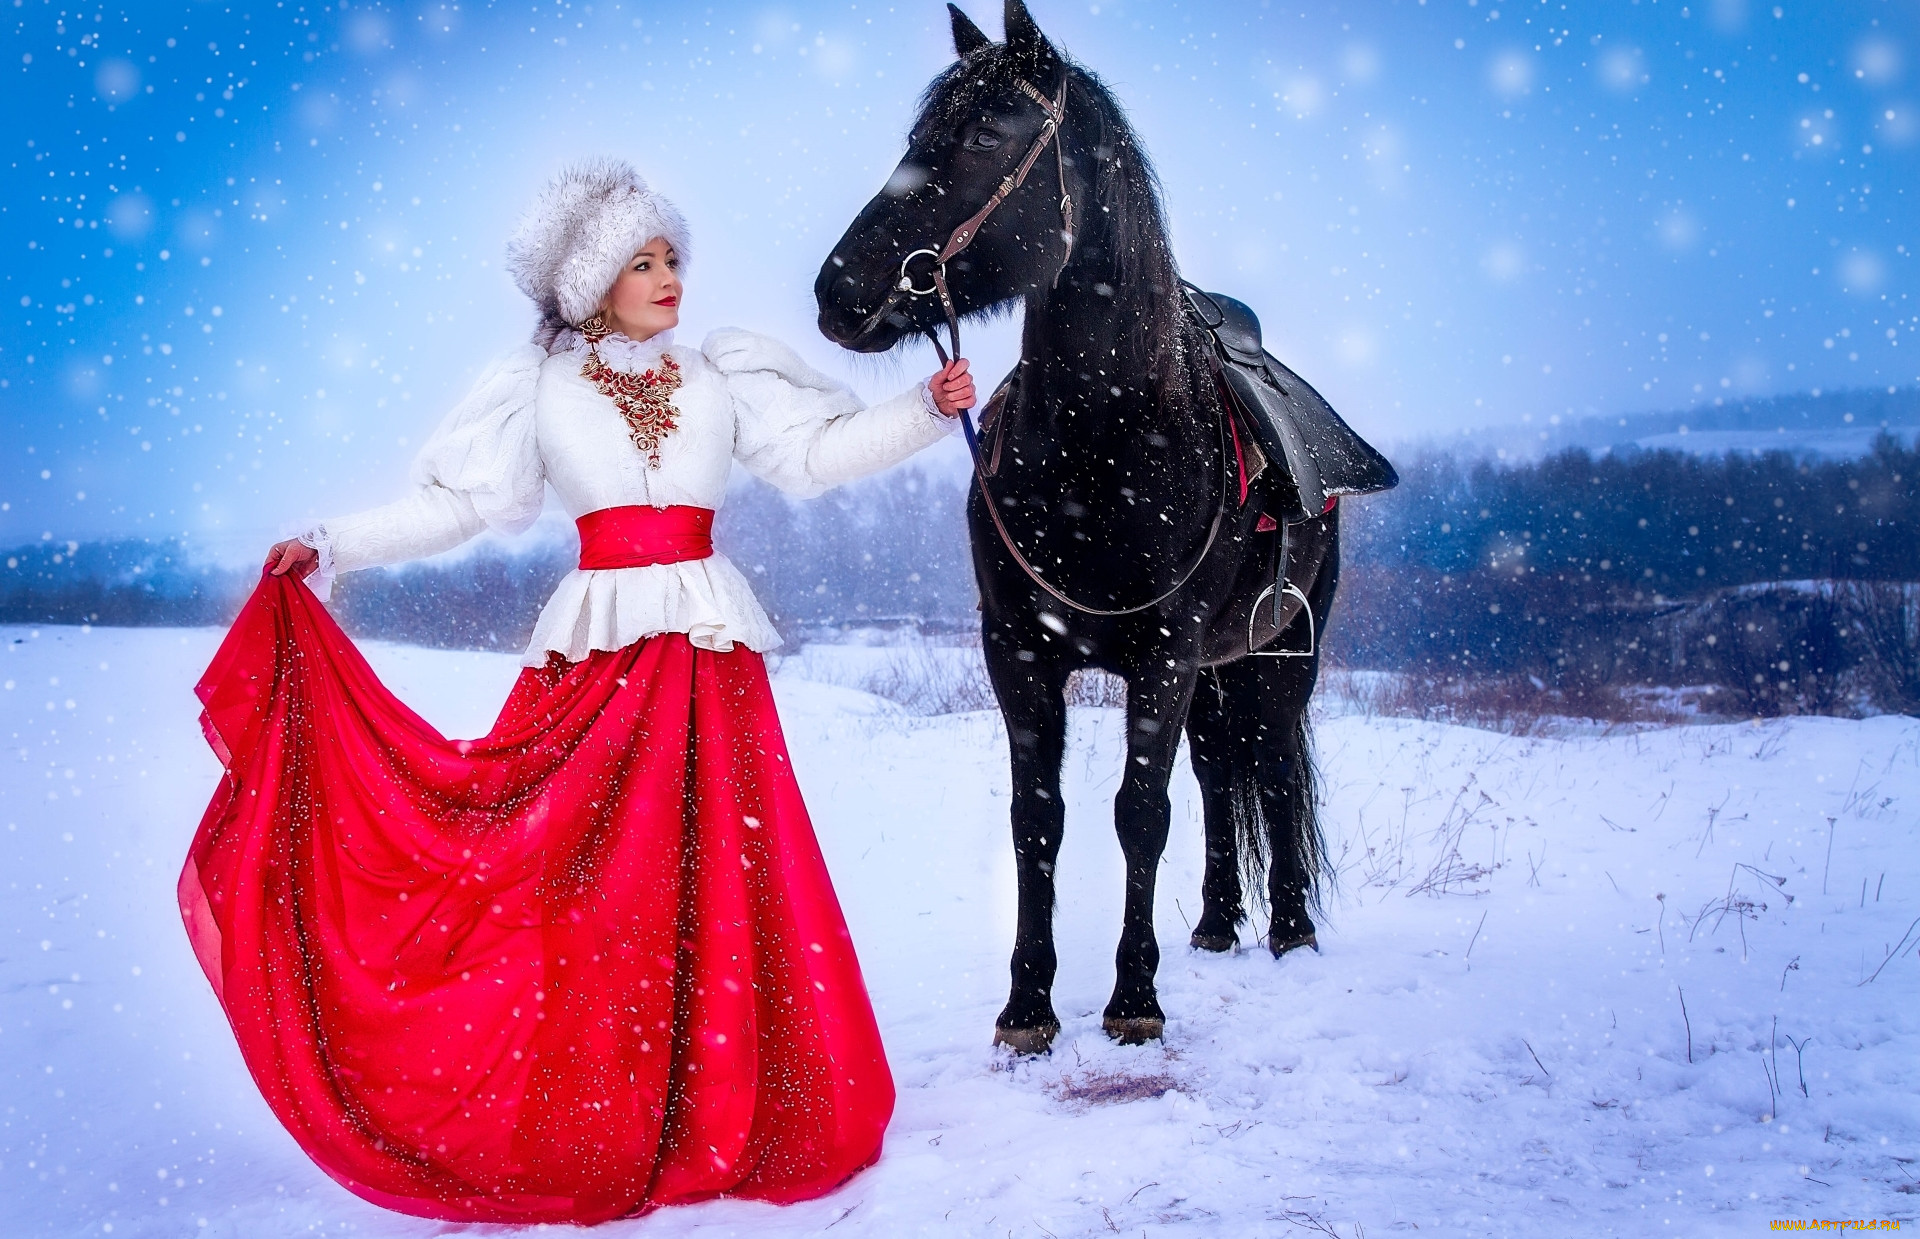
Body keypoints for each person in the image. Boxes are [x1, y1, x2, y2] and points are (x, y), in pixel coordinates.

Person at [179, 159, 973, 1225]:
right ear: (592, 283)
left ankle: (731, 1102)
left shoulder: (722, 373)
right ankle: (600, 1106)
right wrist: (333, 546)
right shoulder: (539, 391)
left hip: (706, 656)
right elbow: (457, 504)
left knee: (725, 885)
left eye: (672, 258)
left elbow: (817, 456)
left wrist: (926, 408)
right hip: (597, 667)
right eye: (642, 262)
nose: (668, 277)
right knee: (581, 892)